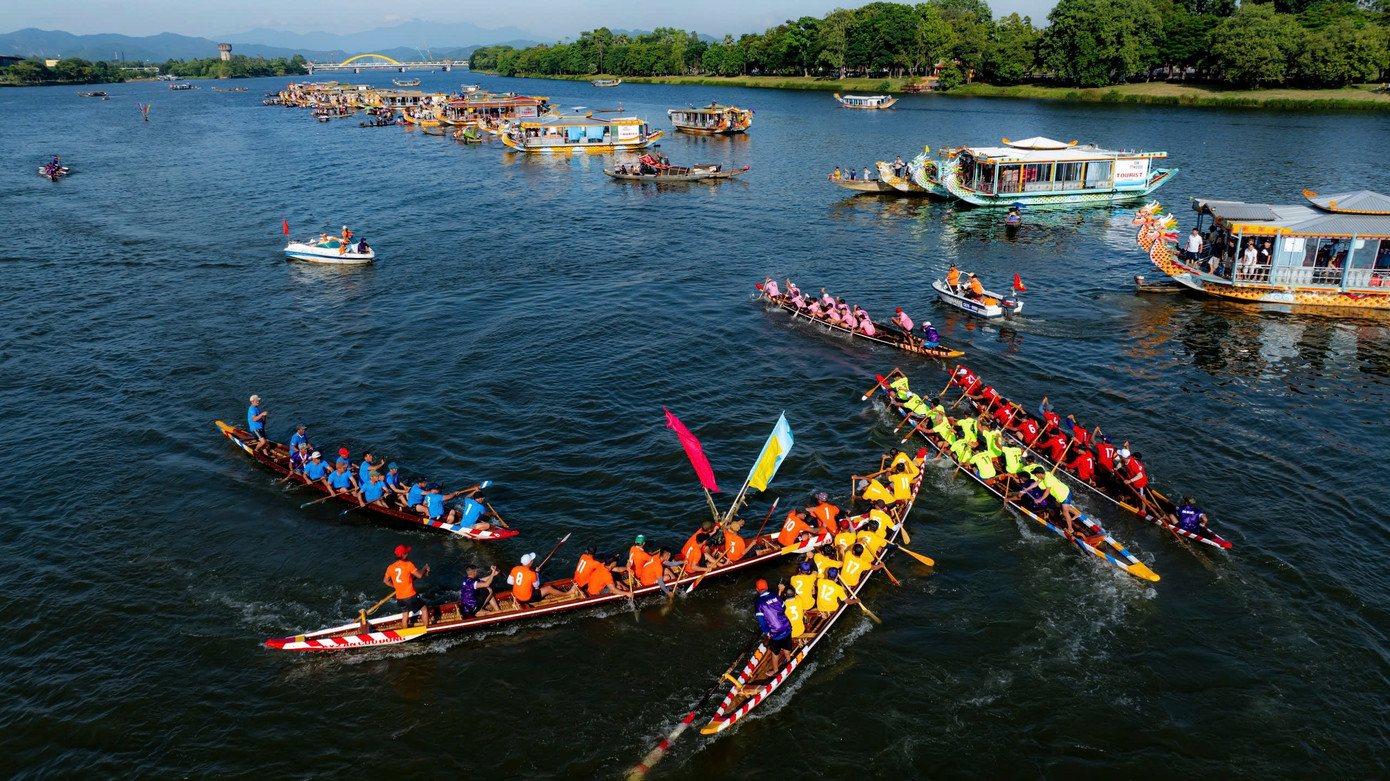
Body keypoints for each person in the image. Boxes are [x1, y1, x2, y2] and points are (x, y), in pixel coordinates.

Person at [384, 545, 430, 627]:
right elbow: (419, 575)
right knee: (424, 609)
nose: (408, 554)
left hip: (400, 598)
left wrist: (396, 586)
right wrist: (425, 567)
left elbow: (386, 581)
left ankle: (405, 632)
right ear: (402, 555)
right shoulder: (408, 564)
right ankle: (426, 629)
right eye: (406, 553)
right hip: (410, 595)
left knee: (405, 616)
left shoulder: (390, 567)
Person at [753, 579, 794, 666]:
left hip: (776, 632)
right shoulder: (775, 595)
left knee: (775, 653)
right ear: (767, 587)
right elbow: (783, 608)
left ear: (757, 589)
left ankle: (775, 670)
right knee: (787, 647)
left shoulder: (758, 603)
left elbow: (762, 621)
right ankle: (789, 660)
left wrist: (767, 632)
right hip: (787, 626)